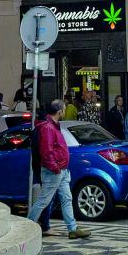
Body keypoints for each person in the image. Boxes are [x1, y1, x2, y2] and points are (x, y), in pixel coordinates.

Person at [27, 99, 92, 240]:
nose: (64, 111)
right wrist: (55, 167)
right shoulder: (48, 128)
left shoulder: (52, 125)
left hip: (61, 170)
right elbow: (47, 151)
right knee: (44, 200)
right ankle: (27, 227)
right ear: (59, 111)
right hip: (54, 171)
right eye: (63, 109)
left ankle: (72, 228)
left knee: (66, 198)